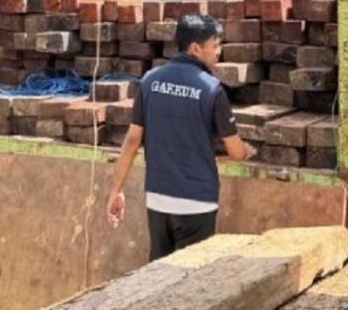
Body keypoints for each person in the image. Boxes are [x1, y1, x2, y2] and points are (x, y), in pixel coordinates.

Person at [105, 14, 257, 261]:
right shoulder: (212, 89)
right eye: (215, 45)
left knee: (158, 273)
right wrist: (246, 151)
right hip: (196, 203)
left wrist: (116, 190)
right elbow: (236, 152)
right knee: (191, 276)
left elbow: (132, 140)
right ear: (195, 48)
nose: (218, 52)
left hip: (158, 200)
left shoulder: (150, 81)